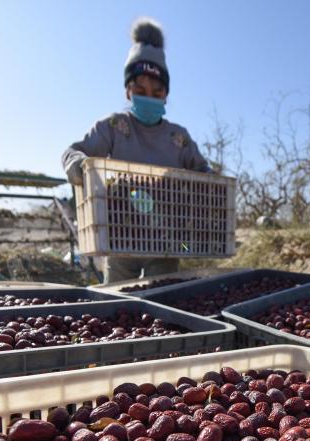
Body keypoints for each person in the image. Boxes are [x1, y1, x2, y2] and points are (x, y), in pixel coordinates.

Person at [62, 18, 210, 283]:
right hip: (120, 237)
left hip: (166, 240)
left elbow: (204, 173)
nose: (148, 97)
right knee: (118, 303)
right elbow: (74, 151)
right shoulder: (114, 127)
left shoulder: (178, 138)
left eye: (156, 91)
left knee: (163, 300)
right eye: (140, 90)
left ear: (166, 94)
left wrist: (210, 187)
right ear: (128, 91)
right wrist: (79, 166)